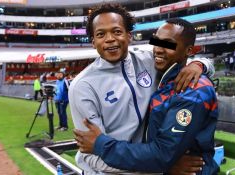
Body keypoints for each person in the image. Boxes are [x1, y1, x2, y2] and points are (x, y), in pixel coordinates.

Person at [69, 3, 214, 175]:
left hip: (151, 160)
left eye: (116, 31)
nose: (109, 39)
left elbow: (184, 57)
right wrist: (161, 166)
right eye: (101, 34)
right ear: (93, 42)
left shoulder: (149, 59)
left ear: (129, 36)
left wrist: (199, 65)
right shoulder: (82, 87)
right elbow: (93, 154)